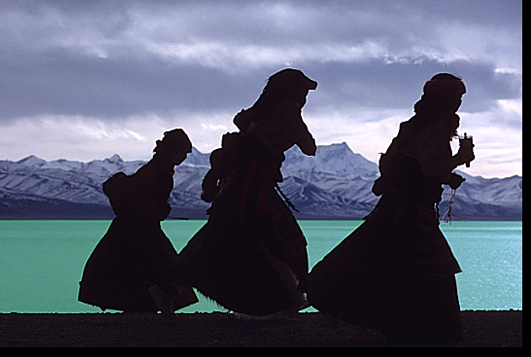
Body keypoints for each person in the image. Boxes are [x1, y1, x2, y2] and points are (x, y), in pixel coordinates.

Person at [307, 73, 475, 342]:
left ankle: (407, 326)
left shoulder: (414, 126)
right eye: (456, 98)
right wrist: (459, 159)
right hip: (410, 214)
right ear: (444, 99)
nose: (458, 103)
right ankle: (439, 331)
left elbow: (414, 168)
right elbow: (430, 168)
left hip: (396, 209)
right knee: (430, 271)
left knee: (382, 262)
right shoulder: (434, 128)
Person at [178, 69, 317, 316]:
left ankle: (172, 286)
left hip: (238, 185)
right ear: (292, 91)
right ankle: (290, 297)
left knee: (220, 235)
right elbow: (309, 147)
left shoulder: (259, 111)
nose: (305, 97)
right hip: (255, 188)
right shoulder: (287, 109)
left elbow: (239, 120)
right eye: (303, 91)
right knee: (284, 238)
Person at [78, 129, 198, 314]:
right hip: (140, 226)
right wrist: (157, 209)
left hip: (135, 225)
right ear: (174, 151)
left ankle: (140, 305)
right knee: (151, 265)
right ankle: (146, 304)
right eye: (182, 152)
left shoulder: (159, 167)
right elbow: (146, 195)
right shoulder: (159, 170)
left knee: (133, 266)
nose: (183, 157)